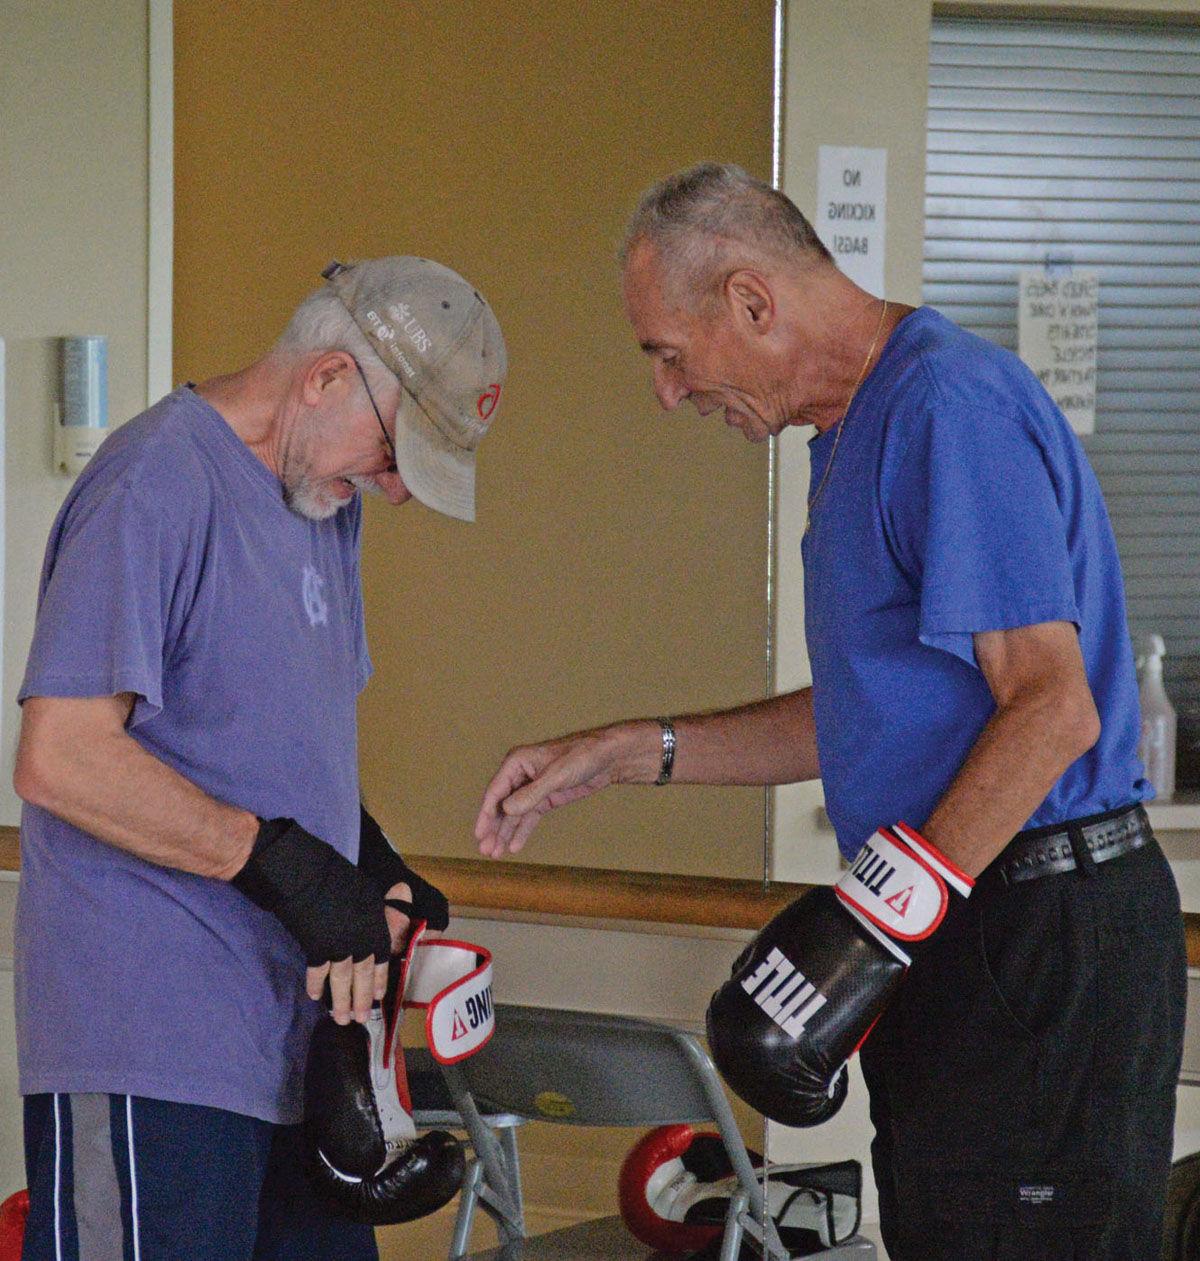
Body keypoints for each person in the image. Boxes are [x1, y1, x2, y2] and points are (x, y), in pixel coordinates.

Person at [474, 163, 1185, 1260]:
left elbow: (1051, 711)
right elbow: (871, 710)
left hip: (1041, 922)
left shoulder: (948, 406)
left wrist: (869, 926)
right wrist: (634, 751)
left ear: (753, 301)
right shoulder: (847, 437)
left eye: (667, 352)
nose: (667, 391)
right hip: (965, 922)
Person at [13, 256, 507, 1261]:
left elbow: (287, 736)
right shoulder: (156, 481)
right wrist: (282, 862)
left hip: (291, 1046)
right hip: (150, 1041)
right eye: (393, 447)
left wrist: (367, 863)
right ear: (326, 376)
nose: (397, 485)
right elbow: (61, 755)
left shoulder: (323, 509)